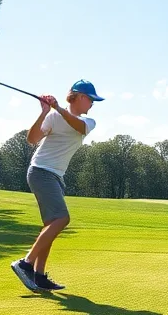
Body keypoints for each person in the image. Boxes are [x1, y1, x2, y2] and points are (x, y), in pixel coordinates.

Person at [11, 80, 103, 293]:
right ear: (80, 97)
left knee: (51, 225)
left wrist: (58, 107)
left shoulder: (88, 122)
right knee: (62, 218)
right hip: (41, 171)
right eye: (91, 99)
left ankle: (40, 276)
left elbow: (77, 126)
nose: (92, 104)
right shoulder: (52, 116)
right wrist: (44, 112)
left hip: (55, 176)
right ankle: (25, 264)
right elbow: (32, 139)